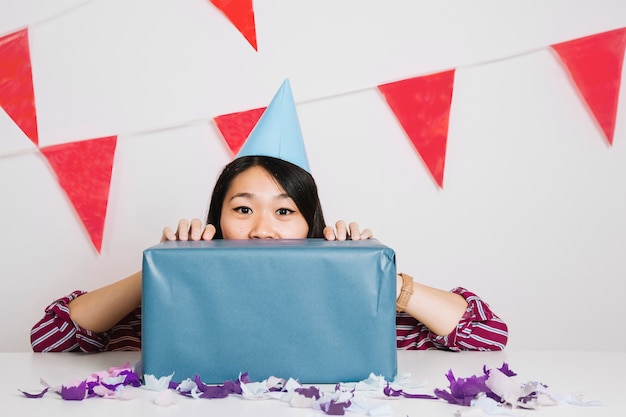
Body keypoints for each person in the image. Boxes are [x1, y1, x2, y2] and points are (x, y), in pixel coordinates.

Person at [30, 80, 508, 353]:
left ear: (311, 226)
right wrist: (165, 270)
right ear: (216, 219)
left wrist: (376, 275)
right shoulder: (166, 310)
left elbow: (488, 333)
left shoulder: (356, 308)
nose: (263, 228)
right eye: (243, 209)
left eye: (285, 210)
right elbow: (50, 337)